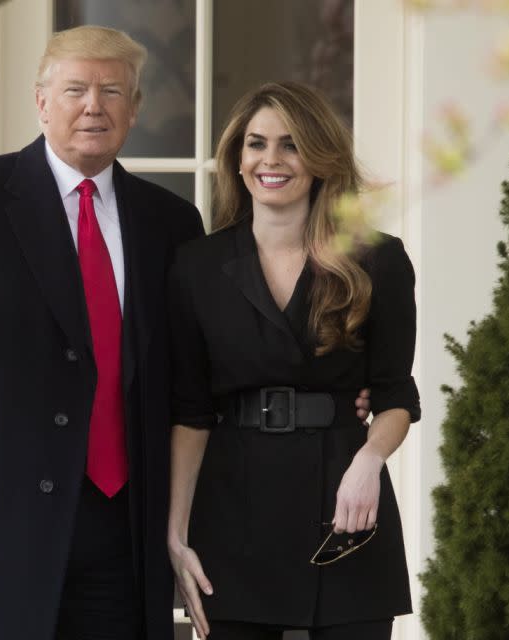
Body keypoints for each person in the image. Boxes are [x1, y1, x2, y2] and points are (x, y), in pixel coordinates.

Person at [0, 25, 206, 640]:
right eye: (75, 88)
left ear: (135, 108)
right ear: (41, 102)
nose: (93, 106)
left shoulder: (172, 221)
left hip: (123, 525)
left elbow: (191, 368)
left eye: (112, 91)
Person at [166, 81, 420, 640]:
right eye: (256, 144)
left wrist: (368, 463)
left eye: (291, 145)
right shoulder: (197, 266)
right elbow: (190, 412)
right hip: (233, 511)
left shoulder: (378, 259)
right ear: (237, 158)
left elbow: (395, 394)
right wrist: (176, 534)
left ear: (320, 158)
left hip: (344, 504)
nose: (271, 160)